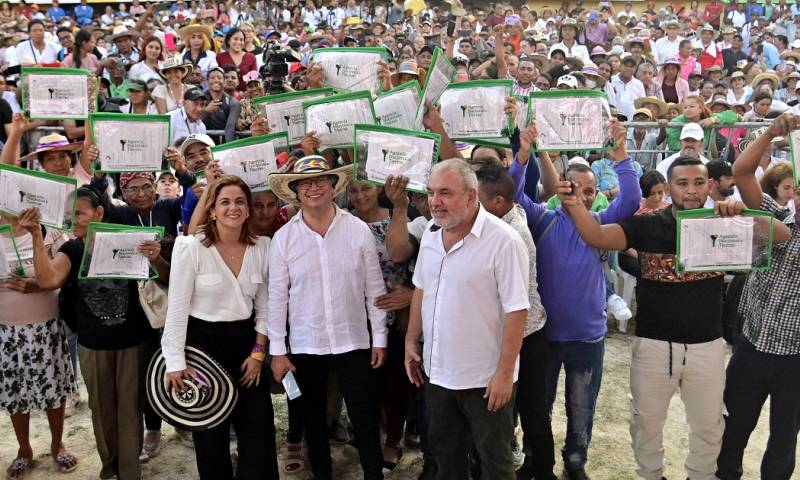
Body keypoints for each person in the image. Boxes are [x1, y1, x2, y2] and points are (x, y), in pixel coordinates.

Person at [558, 154, 781, 480]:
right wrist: (576, 205)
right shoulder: (647, 224)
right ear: (668, 188)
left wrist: (744, 213)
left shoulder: (722, 223)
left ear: (710, 186)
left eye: (699, 182)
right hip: (654, 345)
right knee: (646, 423)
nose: (691, 190)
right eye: (683, 183)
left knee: (708, 425)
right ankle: (651, 475)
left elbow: (780, 234)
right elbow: (597, 236)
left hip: (707, 345)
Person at [510, 120, 641, 480]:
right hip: (545, 338)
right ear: (560, 187)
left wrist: (621, 155)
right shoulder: (543, 219)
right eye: (574, 187)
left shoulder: (600, 222)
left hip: (587, 337)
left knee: (581, 408)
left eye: (590, 191)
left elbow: (631, 200)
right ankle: (538, 459)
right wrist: (524, 153)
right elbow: (513, 194)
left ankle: (576, 461)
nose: (582, 196)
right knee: (539, 408)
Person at [404, 159, 529, 480]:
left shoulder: (504, 241)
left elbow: (517, 311)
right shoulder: (432, 235)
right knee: (447, 460)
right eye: (431, 192)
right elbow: (421, 288)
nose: (434, 201)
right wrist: (410, 340)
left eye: (445, 193)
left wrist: (504, 374)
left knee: (495, 464)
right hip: (438, 375)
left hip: (485, 380)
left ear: (472, 196)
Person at [25, 187, 161, 480]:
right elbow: (48, 279)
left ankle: (130, 470)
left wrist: (155, 255)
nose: (73, 220)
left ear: (99, 213)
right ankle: (110, 467)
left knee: (130, 408)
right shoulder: (72, 249)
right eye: (67, 216)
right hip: (92, 345)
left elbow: (160, 275)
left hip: (132, 342)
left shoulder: (127, 241)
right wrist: (37, 235)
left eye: (79, 214)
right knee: (101, 410)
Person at [268, 157, 387, 480]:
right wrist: (277, 350)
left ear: (334, 186)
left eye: (322, 180)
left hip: (354, 342)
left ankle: (374, 474)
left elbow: (373, 290)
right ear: (294, 190)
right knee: (313, 420)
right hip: (306, 344)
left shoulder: (357, 231)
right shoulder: (284, 239)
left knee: (364, 418)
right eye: (305, 182)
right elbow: (277, 298)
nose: (313, 187)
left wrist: (379, 339)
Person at [161, 175, 279, 480]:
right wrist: (175, 363)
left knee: (258, 432)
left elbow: (265, 308)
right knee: (211, 439)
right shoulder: (190, 247)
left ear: (249, 209)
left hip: (246, 347)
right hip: (203, 350)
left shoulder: (263, 247)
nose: (233, 207)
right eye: (224, 201)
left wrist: (257, 353)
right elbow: (177, 309)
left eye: (240, 201)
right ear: (212, 209)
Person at [716, 113, 800, 480]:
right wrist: (770, 131)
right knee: (732, 428)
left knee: (783, 442)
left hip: (795, 358)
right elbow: (743, 171)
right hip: (751, 346)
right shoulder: (776, 215)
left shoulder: (777, 222)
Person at [472, 162, 553, 480]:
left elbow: (512, 306)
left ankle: (541, 472)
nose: (468, 205)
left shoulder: (510, 236)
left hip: (525, 336)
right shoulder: (507, 211)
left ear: (497, 204)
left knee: (523, 412)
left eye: (473, 198)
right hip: (512, 334)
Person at [0, 214, 77, 479]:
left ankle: (57, 444)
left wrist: (40, 284)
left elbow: (67, 271)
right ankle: (24, 450)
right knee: (15, 392)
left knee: (53, 388)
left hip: (46, 325)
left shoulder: (48, 228)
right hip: (5, 329)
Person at [203, 67, 240, 143]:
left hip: (223, 142)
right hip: (204, 143)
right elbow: (195, 124)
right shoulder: (200, 99)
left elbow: (230, 127)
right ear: (207, 81)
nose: (216, 80)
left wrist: (229, 149)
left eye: (219, 78)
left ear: (224, 81)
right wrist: (207, 111)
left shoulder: (233, 102)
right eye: (212, 78)